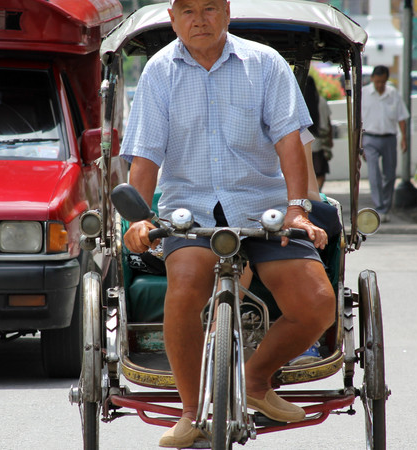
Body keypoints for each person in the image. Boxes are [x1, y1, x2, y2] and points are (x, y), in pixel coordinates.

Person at [120, 0, 336, 447]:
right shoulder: (159, 72)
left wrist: (297, 207)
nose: (199, 19)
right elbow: (146, 157)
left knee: (316, 302)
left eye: (210, 8)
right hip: (191, 214)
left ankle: (256, 381)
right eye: (188, 11)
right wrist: (140, 219)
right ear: (174, 19)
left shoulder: (264, 63)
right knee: (183, 288)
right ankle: (191, 412)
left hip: (265, 208)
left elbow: (290, 142)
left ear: (227, 13)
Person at [361, 65, 410, 222]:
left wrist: (404, 138)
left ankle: (386, 205)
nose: (380, 85)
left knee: (389, 175)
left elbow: (402, 117)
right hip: (369, 138)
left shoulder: (393, 94)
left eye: (382, 82)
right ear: (372, 79)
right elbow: (357, 120)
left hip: (389, 138)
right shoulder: (364, 93)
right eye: (377, 82)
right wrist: (359, 144)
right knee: (374, 174)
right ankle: (379, 207)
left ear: (387, 80)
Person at [303, 80, 334, 190]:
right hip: (319, 143)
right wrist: (330, 141)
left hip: (303, 143)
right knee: (320, 172)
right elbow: (328, 124)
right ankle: (317, 192)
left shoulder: (300, 103)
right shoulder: (321, 101)